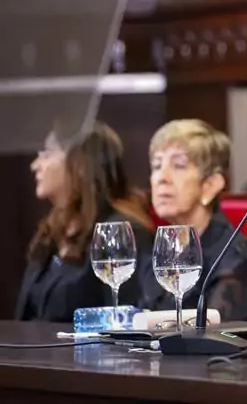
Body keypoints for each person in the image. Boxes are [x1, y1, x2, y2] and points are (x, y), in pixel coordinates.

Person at [16, 122, 154, 322]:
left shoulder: (122, 232)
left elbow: (124, 321)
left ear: (80, 164)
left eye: (47, 154)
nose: (35, 165)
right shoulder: (51, 231)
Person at [138, 119, 247, 322]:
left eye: (179, 165)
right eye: (157, 165)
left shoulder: (239, 262)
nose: (162, 178)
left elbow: (212, 333)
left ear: (210, 185)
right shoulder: (158, 252)